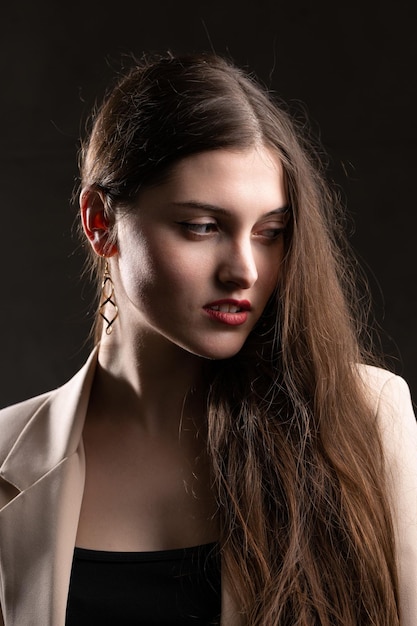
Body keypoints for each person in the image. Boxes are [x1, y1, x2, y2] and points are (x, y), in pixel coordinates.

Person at [0, 51, 416, 626]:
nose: (244, 269)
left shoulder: (368, 420)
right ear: (100, 222)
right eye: (202, 227)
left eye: (270, 232)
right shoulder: (4, 455)